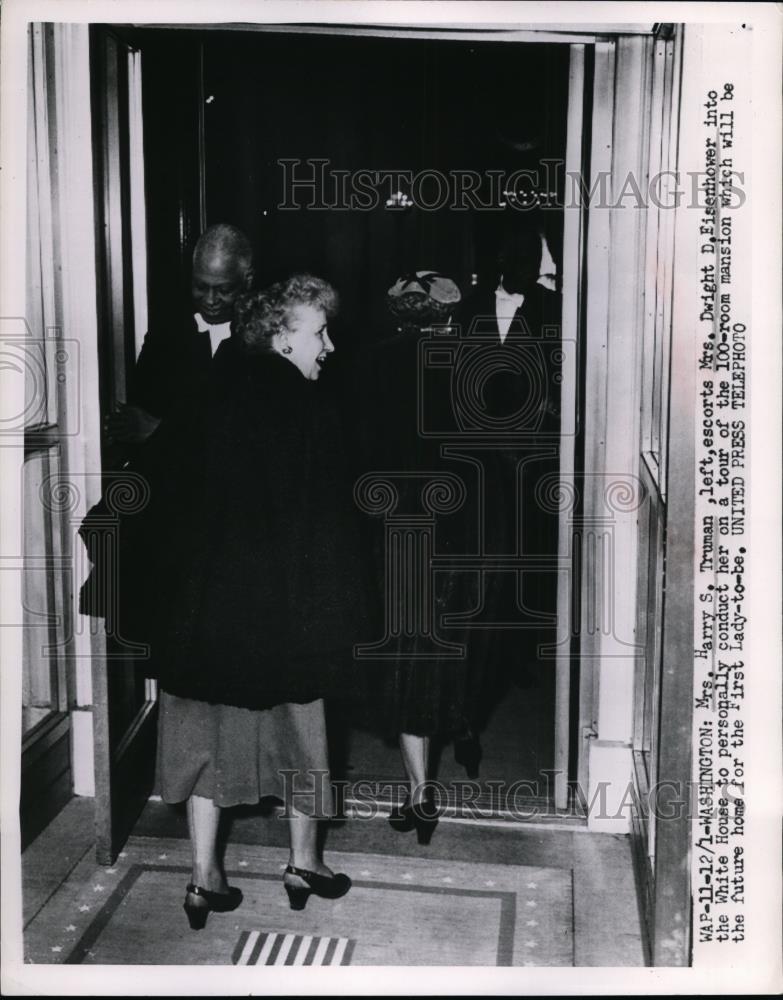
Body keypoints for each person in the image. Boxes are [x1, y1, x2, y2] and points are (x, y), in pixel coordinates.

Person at [153, 275, 366, 927]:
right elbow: (331, 528)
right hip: (288, 611)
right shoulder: (312, 410)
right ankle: (304, 864)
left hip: (209, 610)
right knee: (303, 735)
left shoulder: (210, 396)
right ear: (280, 335)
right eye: (318, 332)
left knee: (204, 739)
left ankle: (202, 879)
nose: (328, 346)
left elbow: (169, 497)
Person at [104, 222, 256, 446]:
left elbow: (248, 433)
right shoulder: (166, 335)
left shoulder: (261, 338)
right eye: (200, 287)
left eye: (224, 290)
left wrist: (161, 430)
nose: (211, 300)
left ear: (247, 281)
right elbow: (140, 413)